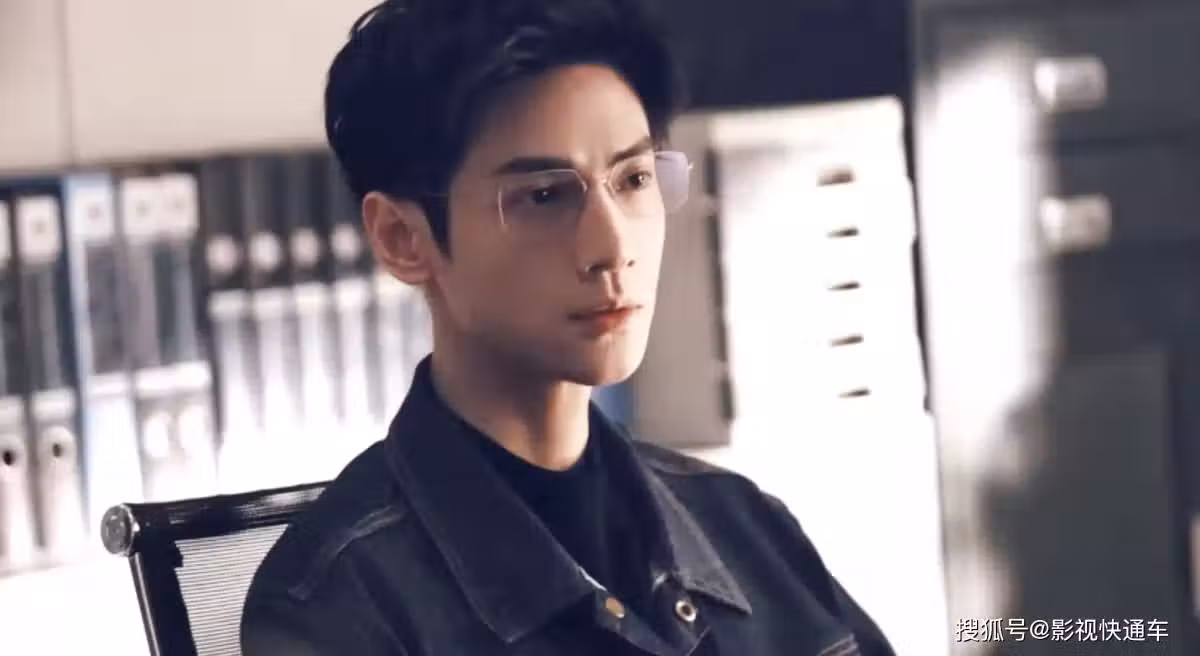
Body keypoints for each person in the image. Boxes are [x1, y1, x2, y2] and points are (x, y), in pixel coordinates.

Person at [240, 0, 896, 653]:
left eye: (634, 179)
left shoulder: (742, 521)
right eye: (545, 195)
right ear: (402, 239)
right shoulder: (336, 607)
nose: (612, 247)